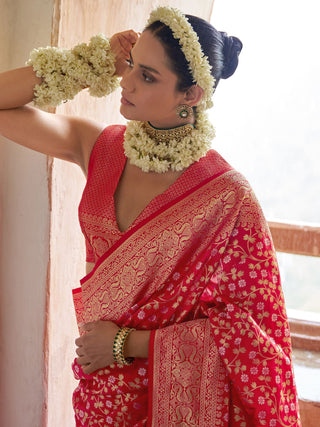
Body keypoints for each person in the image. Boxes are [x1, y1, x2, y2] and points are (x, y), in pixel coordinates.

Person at [0, 6, 301, 426]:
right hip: (99, 394)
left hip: (167, 403)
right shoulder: (101, 148)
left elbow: (253, 342)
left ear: (191, 95)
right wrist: (93, 62)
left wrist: (127, 343)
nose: (126, 83)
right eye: (130, 66)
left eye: (147, 76)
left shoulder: (227, 197)